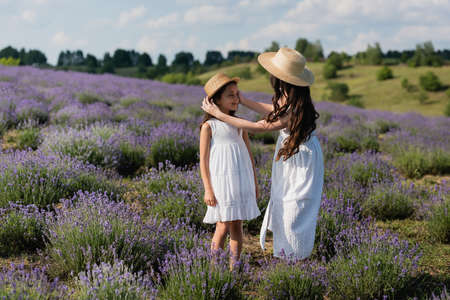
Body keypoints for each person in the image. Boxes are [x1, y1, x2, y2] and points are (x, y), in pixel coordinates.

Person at [201, 48, 324, 259]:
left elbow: (260, 127)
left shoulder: (295, 105)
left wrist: (220, 114)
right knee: (285, 204)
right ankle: (288, 255)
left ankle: (293, 256)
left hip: (300, 159)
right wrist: (244, 100)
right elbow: (273, 110)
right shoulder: (290, 95)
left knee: (295, 206)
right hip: (291, 154)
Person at [199, 73, 260, 267]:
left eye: (237, 94)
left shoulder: (240, 125)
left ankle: (235, 268)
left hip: (241, 181)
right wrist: (208, 189)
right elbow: (204, 161)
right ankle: (214, 268)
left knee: (237, 225)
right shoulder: (209, 126)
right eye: (230, 95)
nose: (236, 99)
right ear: (216, 100)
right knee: (223, 225)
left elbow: (250, 158)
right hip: (221, 183)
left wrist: (255, 185)